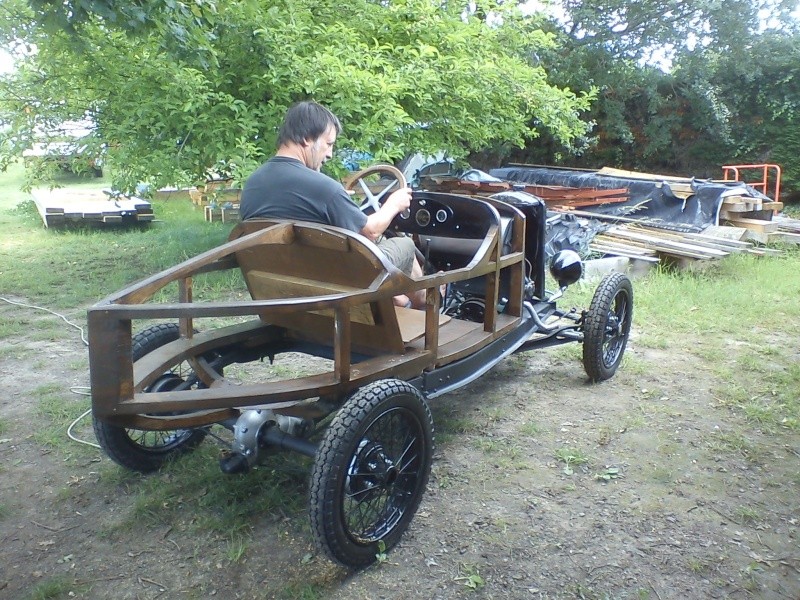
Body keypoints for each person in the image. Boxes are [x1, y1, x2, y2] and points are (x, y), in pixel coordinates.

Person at [240, 101, 426, 308]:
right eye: (328, 144)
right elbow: (371, 231)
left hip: (286, 294)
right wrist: (394, 204)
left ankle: (398, 300)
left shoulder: (252, 185)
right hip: (335, 290)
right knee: (405, 245)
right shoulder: (324, 188)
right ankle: (424, 308)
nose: (330, 154)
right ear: (307, 138)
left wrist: (336, 200)